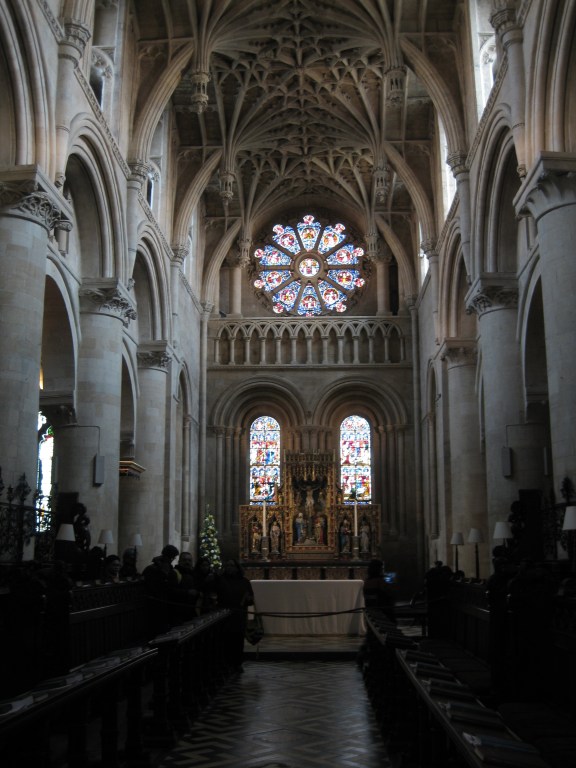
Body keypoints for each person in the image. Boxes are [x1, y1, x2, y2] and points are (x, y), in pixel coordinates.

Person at [142, 544, 196, 632]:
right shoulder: (152, 569)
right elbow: (162, 587)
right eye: (171, 557)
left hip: (166, 605)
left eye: (173, 558)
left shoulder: (168, 568)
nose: (171, 560)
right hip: (157, 604)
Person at [215, 559, 254, 672]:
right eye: (227, 565)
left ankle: (237, 663)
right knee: (225, 640)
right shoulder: (221, 580)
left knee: (238, 640)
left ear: (237, 568)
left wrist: (248, 599)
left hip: (239, 615)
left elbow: (250, 599)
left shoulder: (244, 581)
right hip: (224, 614)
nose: (229, 568)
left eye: (232, 565)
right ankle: (226, 663)